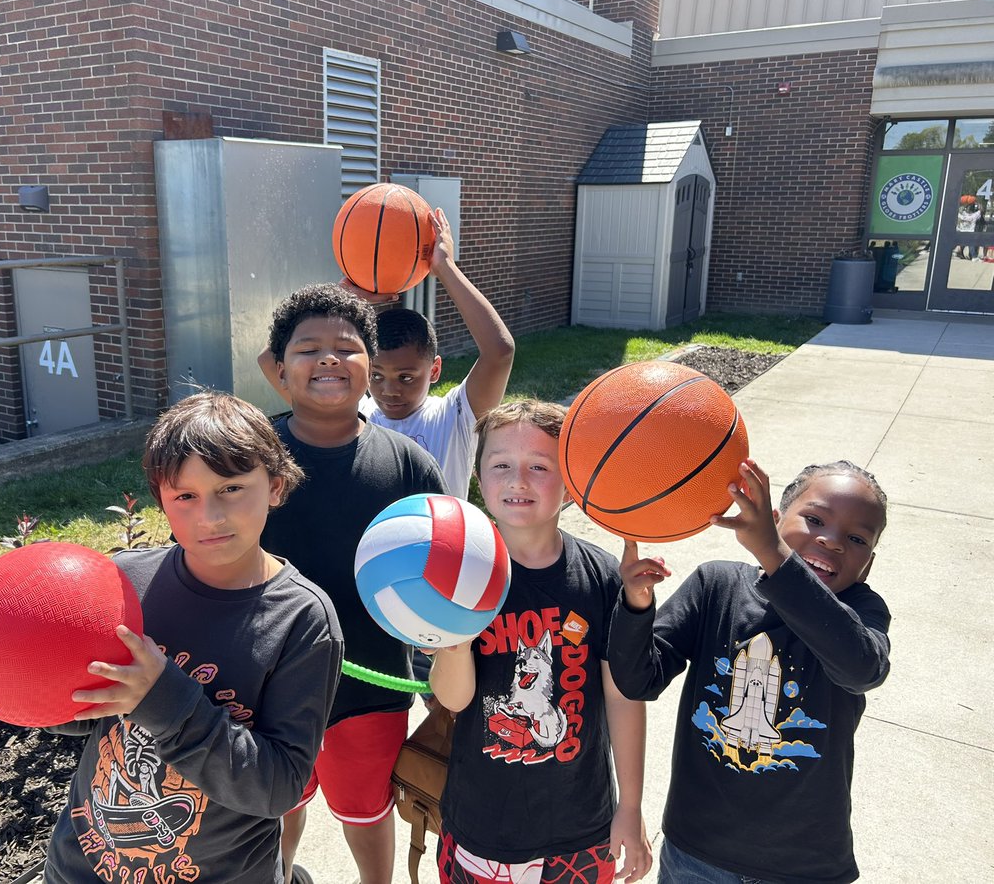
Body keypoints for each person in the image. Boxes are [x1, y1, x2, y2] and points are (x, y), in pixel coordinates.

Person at [42, 391, 344, 884]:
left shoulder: (301, 620)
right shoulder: (124, 582)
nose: (209, 516)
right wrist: (33, 686)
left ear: (276, 485)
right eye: (185, 496)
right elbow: (85, 720)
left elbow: (278, 787)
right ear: (161, 499)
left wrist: (163, 699)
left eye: (231, 488)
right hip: (82, 865)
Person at [608, 459, 891, 884]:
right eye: (814, 519)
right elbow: (638, 679)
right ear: (774, 521)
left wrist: (774, 554)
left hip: (804, 864)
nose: (831, 541)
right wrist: (635, 604)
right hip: (696, 852)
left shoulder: (861, 613)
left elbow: (861, 669)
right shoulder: (716, 586)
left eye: (855, 538)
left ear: (867, 564)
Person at [260, 283, 447, 884]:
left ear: (370, 367)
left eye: (347, 347)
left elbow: (445, 568)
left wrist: (445, 665)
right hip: (268, 681)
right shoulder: (251, 457)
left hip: (372, 683)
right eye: (307, 348)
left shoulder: (407, 463)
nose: (329, 359)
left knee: (366, 811)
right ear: (280, 369)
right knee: (276, 806)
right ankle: (281, 873)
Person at [428, 400, 652, 884]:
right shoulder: (460, 574)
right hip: (482, 824)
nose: (518, 481)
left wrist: (629, 806)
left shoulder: (602, 578)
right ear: (478, 476)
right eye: (502, 465)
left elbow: (622, 695)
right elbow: (453, 699)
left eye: (539, 466)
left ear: (570, 481)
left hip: (581, 826)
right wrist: (453, 642)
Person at [260, 208, 515, 498]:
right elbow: (270, 359)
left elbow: (500, 351)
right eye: (377, 375)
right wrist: (346, 296)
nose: (389, 390)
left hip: (437, 543)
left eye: (406, 377)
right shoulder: (354, 412)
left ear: (434, 370)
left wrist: (446, 268)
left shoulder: (454, 417)